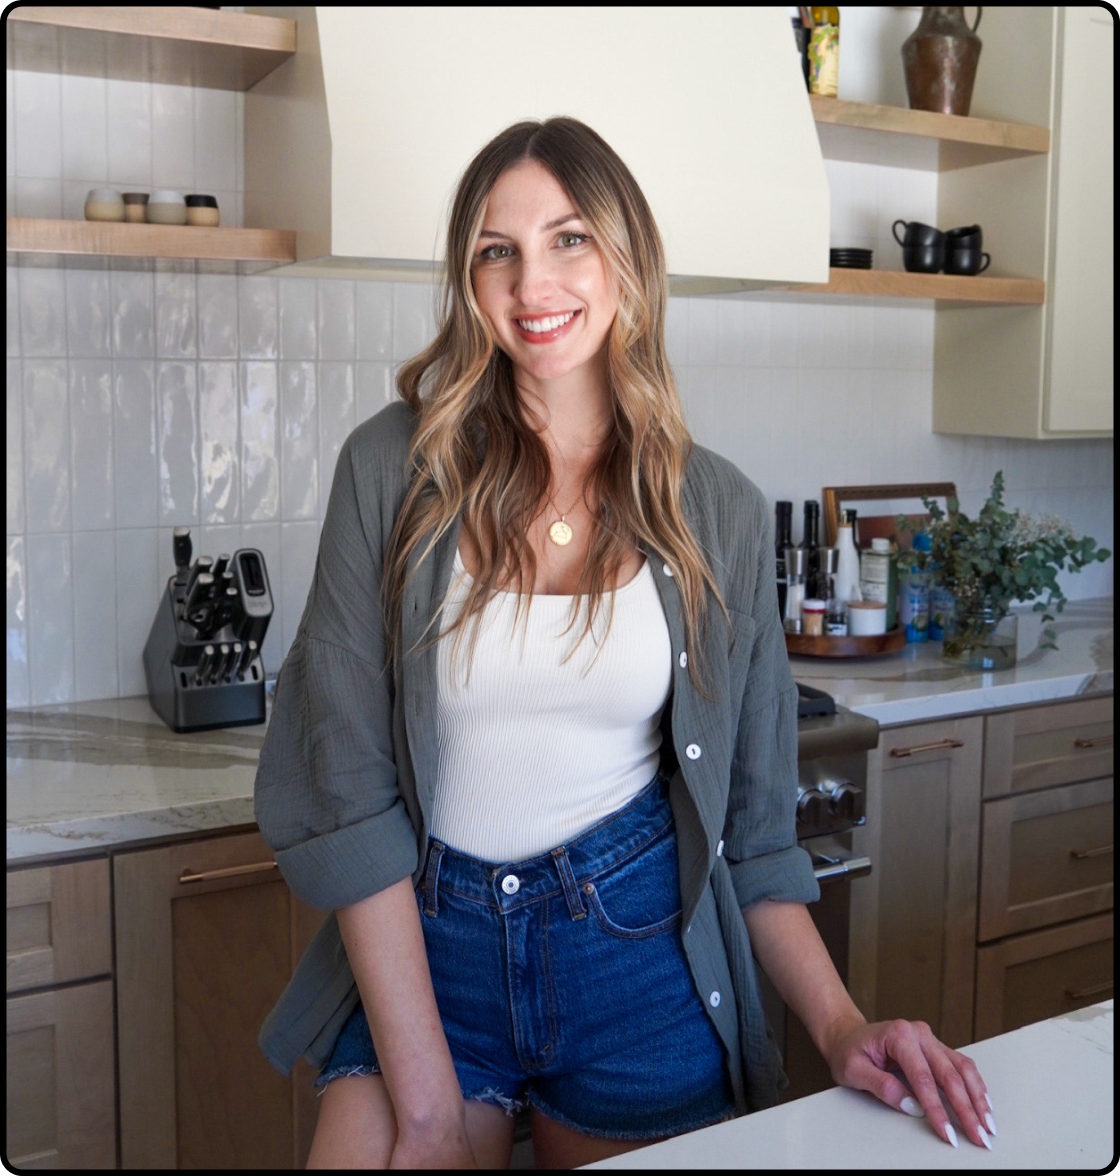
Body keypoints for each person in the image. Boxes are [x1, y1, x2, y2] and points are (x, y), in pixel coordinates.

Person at [254, 116, 995, 1169]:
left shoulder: (718, 511)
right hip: (429, 955)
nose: (530, 284)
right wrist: (424, 1112)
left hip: (637, 962)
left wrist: (841, 1029)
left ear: (625, 259)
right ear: (467, 279)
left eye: (568, 240)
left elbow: (753, 832)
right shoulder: (392, 469)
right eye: (495, 251)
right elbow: (345, 784)